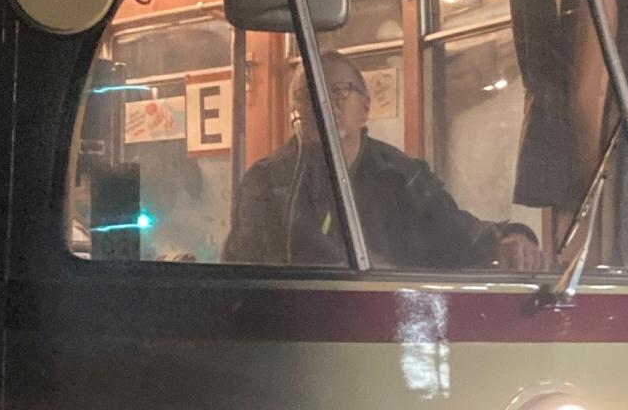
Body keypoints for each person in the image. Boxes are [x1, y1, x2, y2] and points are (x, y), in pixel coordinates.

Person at [223, 52, 540, 273]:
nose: (323, 102)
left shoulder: (403, 177)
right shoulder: (267, 183)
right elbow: (241, 272)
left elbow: (459, 235)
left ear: (365, 106)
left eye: (339, 91)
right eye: (310, 94)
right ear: (295, 110)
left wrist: (511, 239)